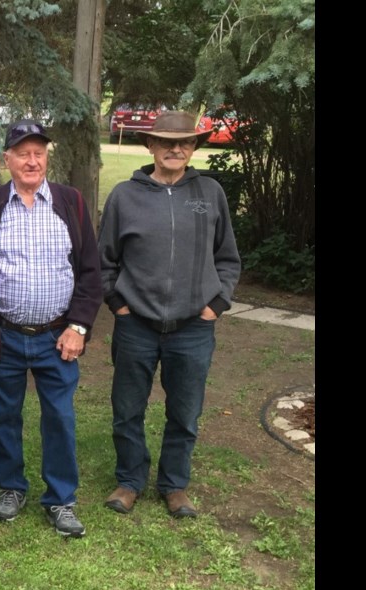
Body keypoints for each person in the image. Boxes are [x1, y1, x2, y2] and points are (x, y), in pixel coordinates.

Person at [97, 111, 241, 518]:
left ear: (194, 147)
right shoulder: (125, 196)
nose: (175, 149)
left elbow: (228, 258)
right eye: (166, 142)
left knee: (185, 411)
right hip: (136, 325)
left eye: (184, 143)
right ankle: (129, 481)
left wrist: (216, 305)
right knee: (127, 409)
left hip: (193, 328)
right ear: (151, 146)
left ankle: (175, 485)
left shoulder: (210, 193)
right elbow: (105, 260)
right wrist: (118, 305)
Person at [0, 119, 103, 538]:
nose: (32, 161)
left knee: (60, 417)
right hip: (4, 335)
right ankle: (11, 487)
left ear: (47, 157)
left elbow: (90, 272)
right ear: (6, 159)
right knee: (2, 415)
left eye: (39, 153)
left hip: (57, 337)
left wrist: (79, 327)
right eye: (23, 153)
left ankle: (61, 498)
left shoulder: (71, 202)